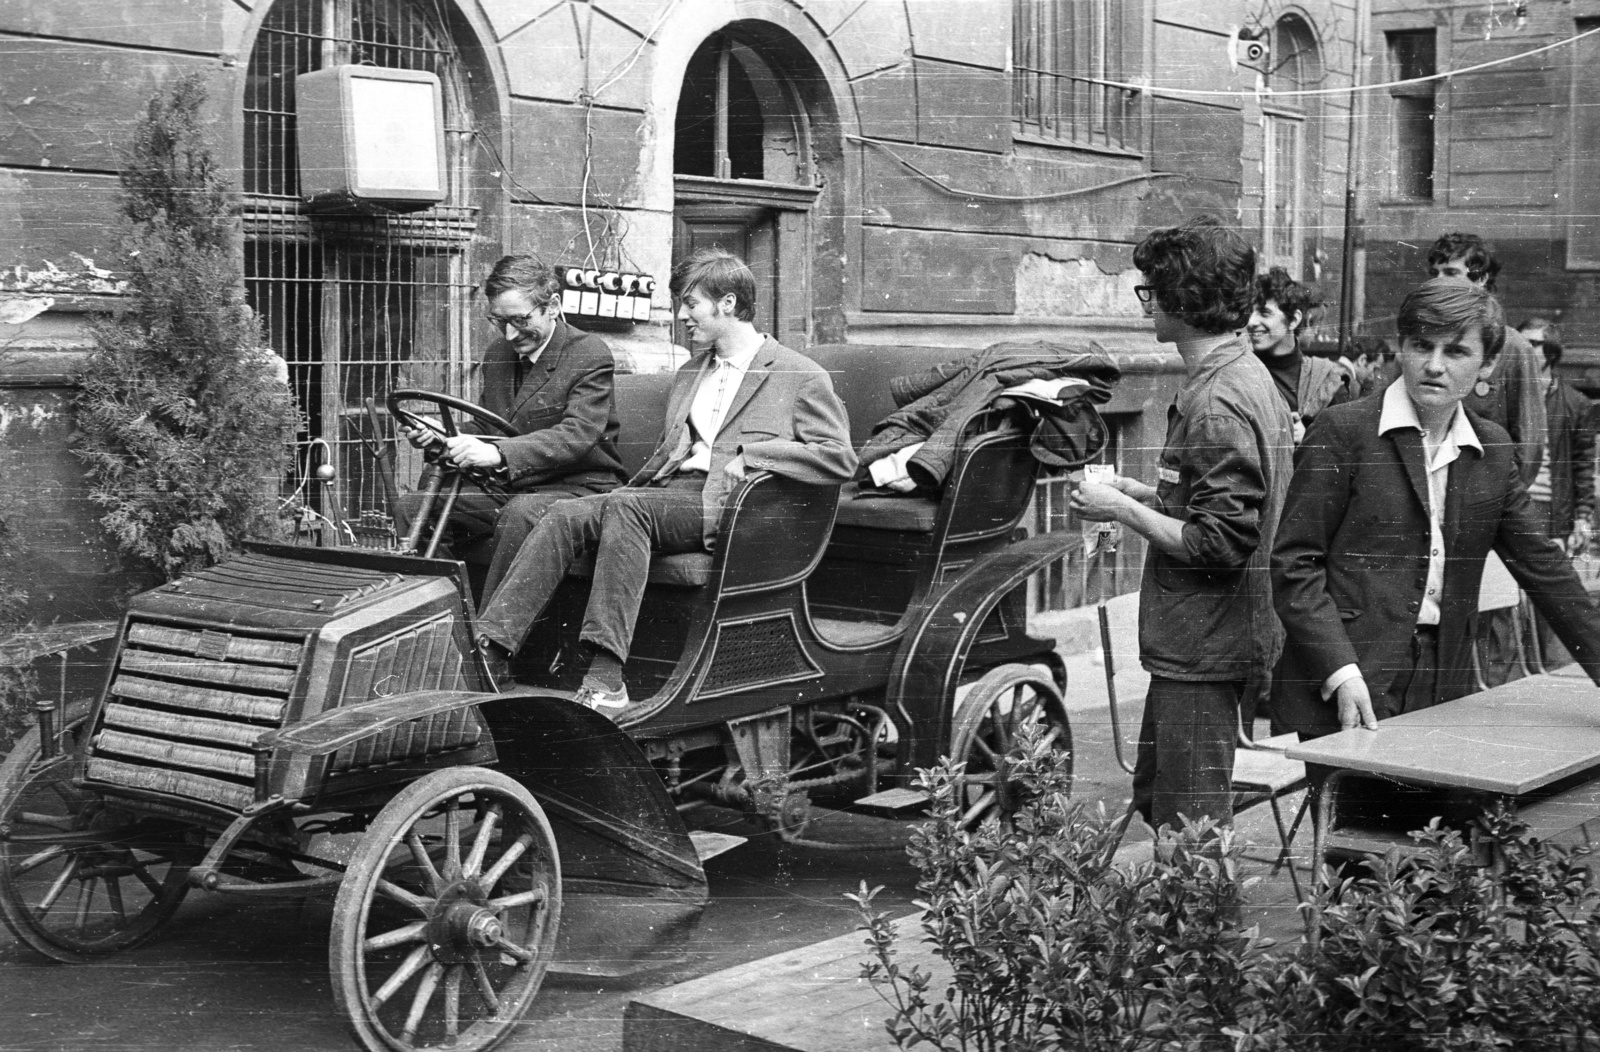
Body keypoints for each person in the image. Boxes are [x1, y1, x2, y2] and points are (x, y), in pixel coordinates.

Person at [476, 249, 856, 711]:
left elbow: (839, 458)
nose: (680, 315)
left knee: (627, 507)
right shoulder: (692, 372)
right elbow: (669, 454)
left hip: (728, 508)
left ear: (728, 304)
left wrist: (756, 455)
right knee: (557, 512)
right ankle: (492, 652)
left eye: (691, 303)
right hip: (666, 497)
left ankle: (607, 676)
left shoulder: (800, 374)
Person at [1271, 279, 1600, 740]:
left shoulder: (1491, 448)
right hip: (1350, 678)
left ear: (1487, 365)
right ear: (1401, 348)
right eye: (1421, 346)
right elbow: (1294, 563)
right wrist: (1340, 670)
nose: (1434, 365)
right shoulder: (1344, 431)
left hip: (1445, 681)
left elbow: (1544, 567)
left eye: (1456, 352)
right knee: (1357, 811)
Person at [1070, 215, 1293, 833]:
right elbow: (1209, 506)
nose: (1146, 303)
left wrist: (1121, 509)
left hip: (1207, 643)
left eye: (1150, 291)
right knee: (1159, 796)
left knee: (1190, 825)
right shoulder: (1239, 377)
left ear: (1180, 300)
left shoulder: (1217, 401)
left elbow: (1219, 543)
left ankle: (1205, 931)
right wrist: (1138, 491)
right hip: (1205, 640)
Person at [397, 255, 626, 598]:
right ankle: (444, 619)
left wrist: (496, 453)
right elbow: (489, 424)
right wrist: (442, 435)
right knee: (413, 508)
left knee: (520, 515)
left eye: (520, 320)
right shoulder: (499, 354)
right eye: (499, 321)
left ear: (553, 306)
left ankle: (491, 641)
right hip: (515, 486)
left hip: (579, 488)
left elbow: (577, 434)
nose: (510, 333)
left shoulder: (587, 352)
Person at [1247, 267, 1354, 443]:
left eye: (1264, 313)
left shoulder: (1327, 379)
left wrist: (1309, 440)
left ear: (1294, 320)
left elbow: (1344, 451)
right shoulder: (1240, 369)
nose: (1251, 322)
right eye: (1250, 312)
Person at [1520, 319, 1595, 554]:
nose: (1522, 350)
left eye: (1531, 344)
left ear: (1551, 353)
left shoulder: (1575, 403)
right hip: (1508, 509)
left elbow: (1583, 466)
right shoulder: (1503, 396)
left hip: (1550, 512)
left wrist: (1582, 518)